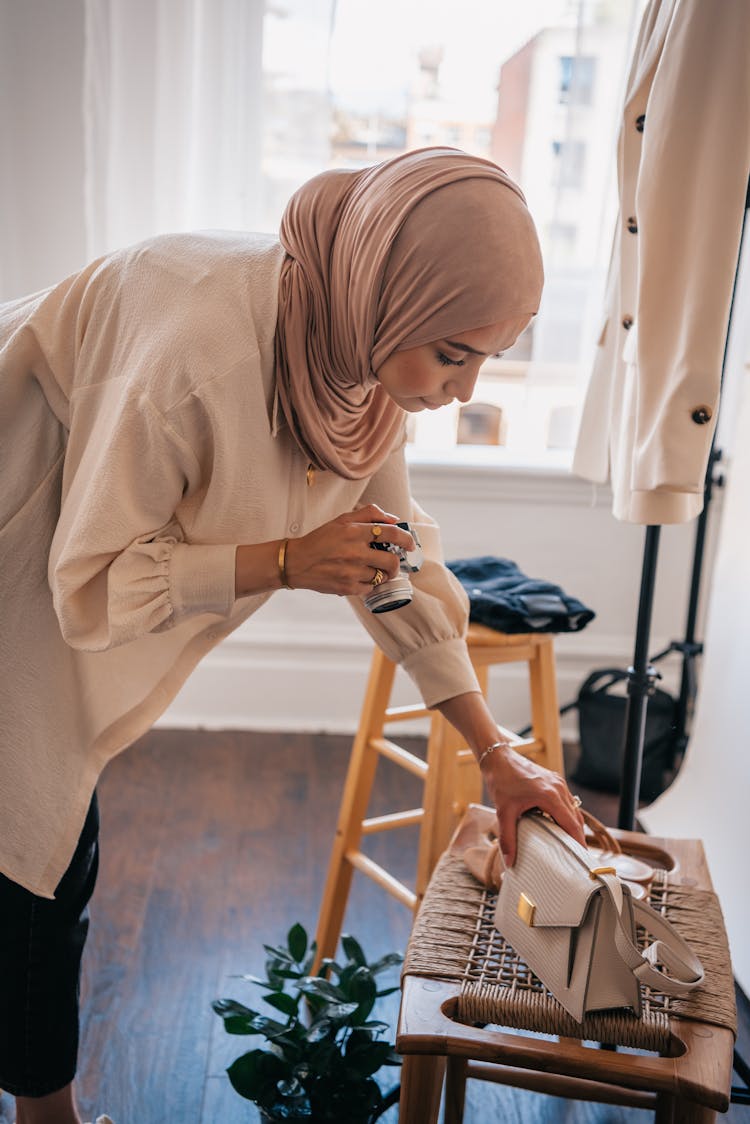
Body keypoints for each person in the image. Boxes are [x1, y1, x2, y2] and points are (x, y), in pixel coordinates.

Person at [0, 146, 586, 1124]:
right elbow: (90, 586)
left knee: (50, 852)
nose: (469, 385)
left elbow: (393, 569)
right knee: (35, 860)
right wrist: (283, 558)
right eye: (453, 352)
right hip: (22, 538)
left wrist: (500, 753)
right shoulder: (192, 356)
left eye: (491, 354)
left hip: (65, 562)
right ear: (391, 296)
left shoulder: (358, 365)